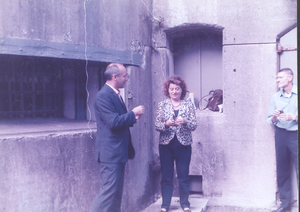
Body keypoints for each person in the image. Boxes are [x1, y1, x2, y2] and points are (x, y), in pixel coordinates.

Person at [91, 63, 145, 212]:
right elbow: (113, 122)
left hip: (117, 153)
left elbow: (118, 119)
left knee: (115, 195)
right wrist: (132, 113)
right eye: (125, 76)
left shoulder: (114, 94)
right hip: (110, 154)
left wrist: (131, 117)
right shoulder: (103, 96)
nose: (127, 78)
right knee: (108, 194)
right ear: (115, 77)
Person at [155, 75, 197, 212]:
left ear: (182, 90)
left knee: (183, 175)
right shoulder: (162, 105)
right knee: (166, 175)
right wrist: (166, 124)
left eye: (177, 89)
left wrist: (185, 121)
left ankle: (185, 204)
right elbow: (157, 125)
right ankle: (165, 205)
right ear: (168, 90)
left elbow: (194, 125)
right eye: (172, 89)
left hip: (183, 145)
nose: (174, 92)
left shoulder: (188, 105)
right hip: (166, 145)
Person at [267, 68, 298, 212]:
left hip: (295, 134)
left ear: (290, 78)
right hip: (280, 134)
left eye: (280, 77)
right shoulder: (275, 97)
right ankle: (285, 206)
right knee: (282, 170)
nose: (277, 80)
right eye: (277, 78)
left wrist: (293, 117)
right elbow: (270, 120)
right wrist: (275, 116)